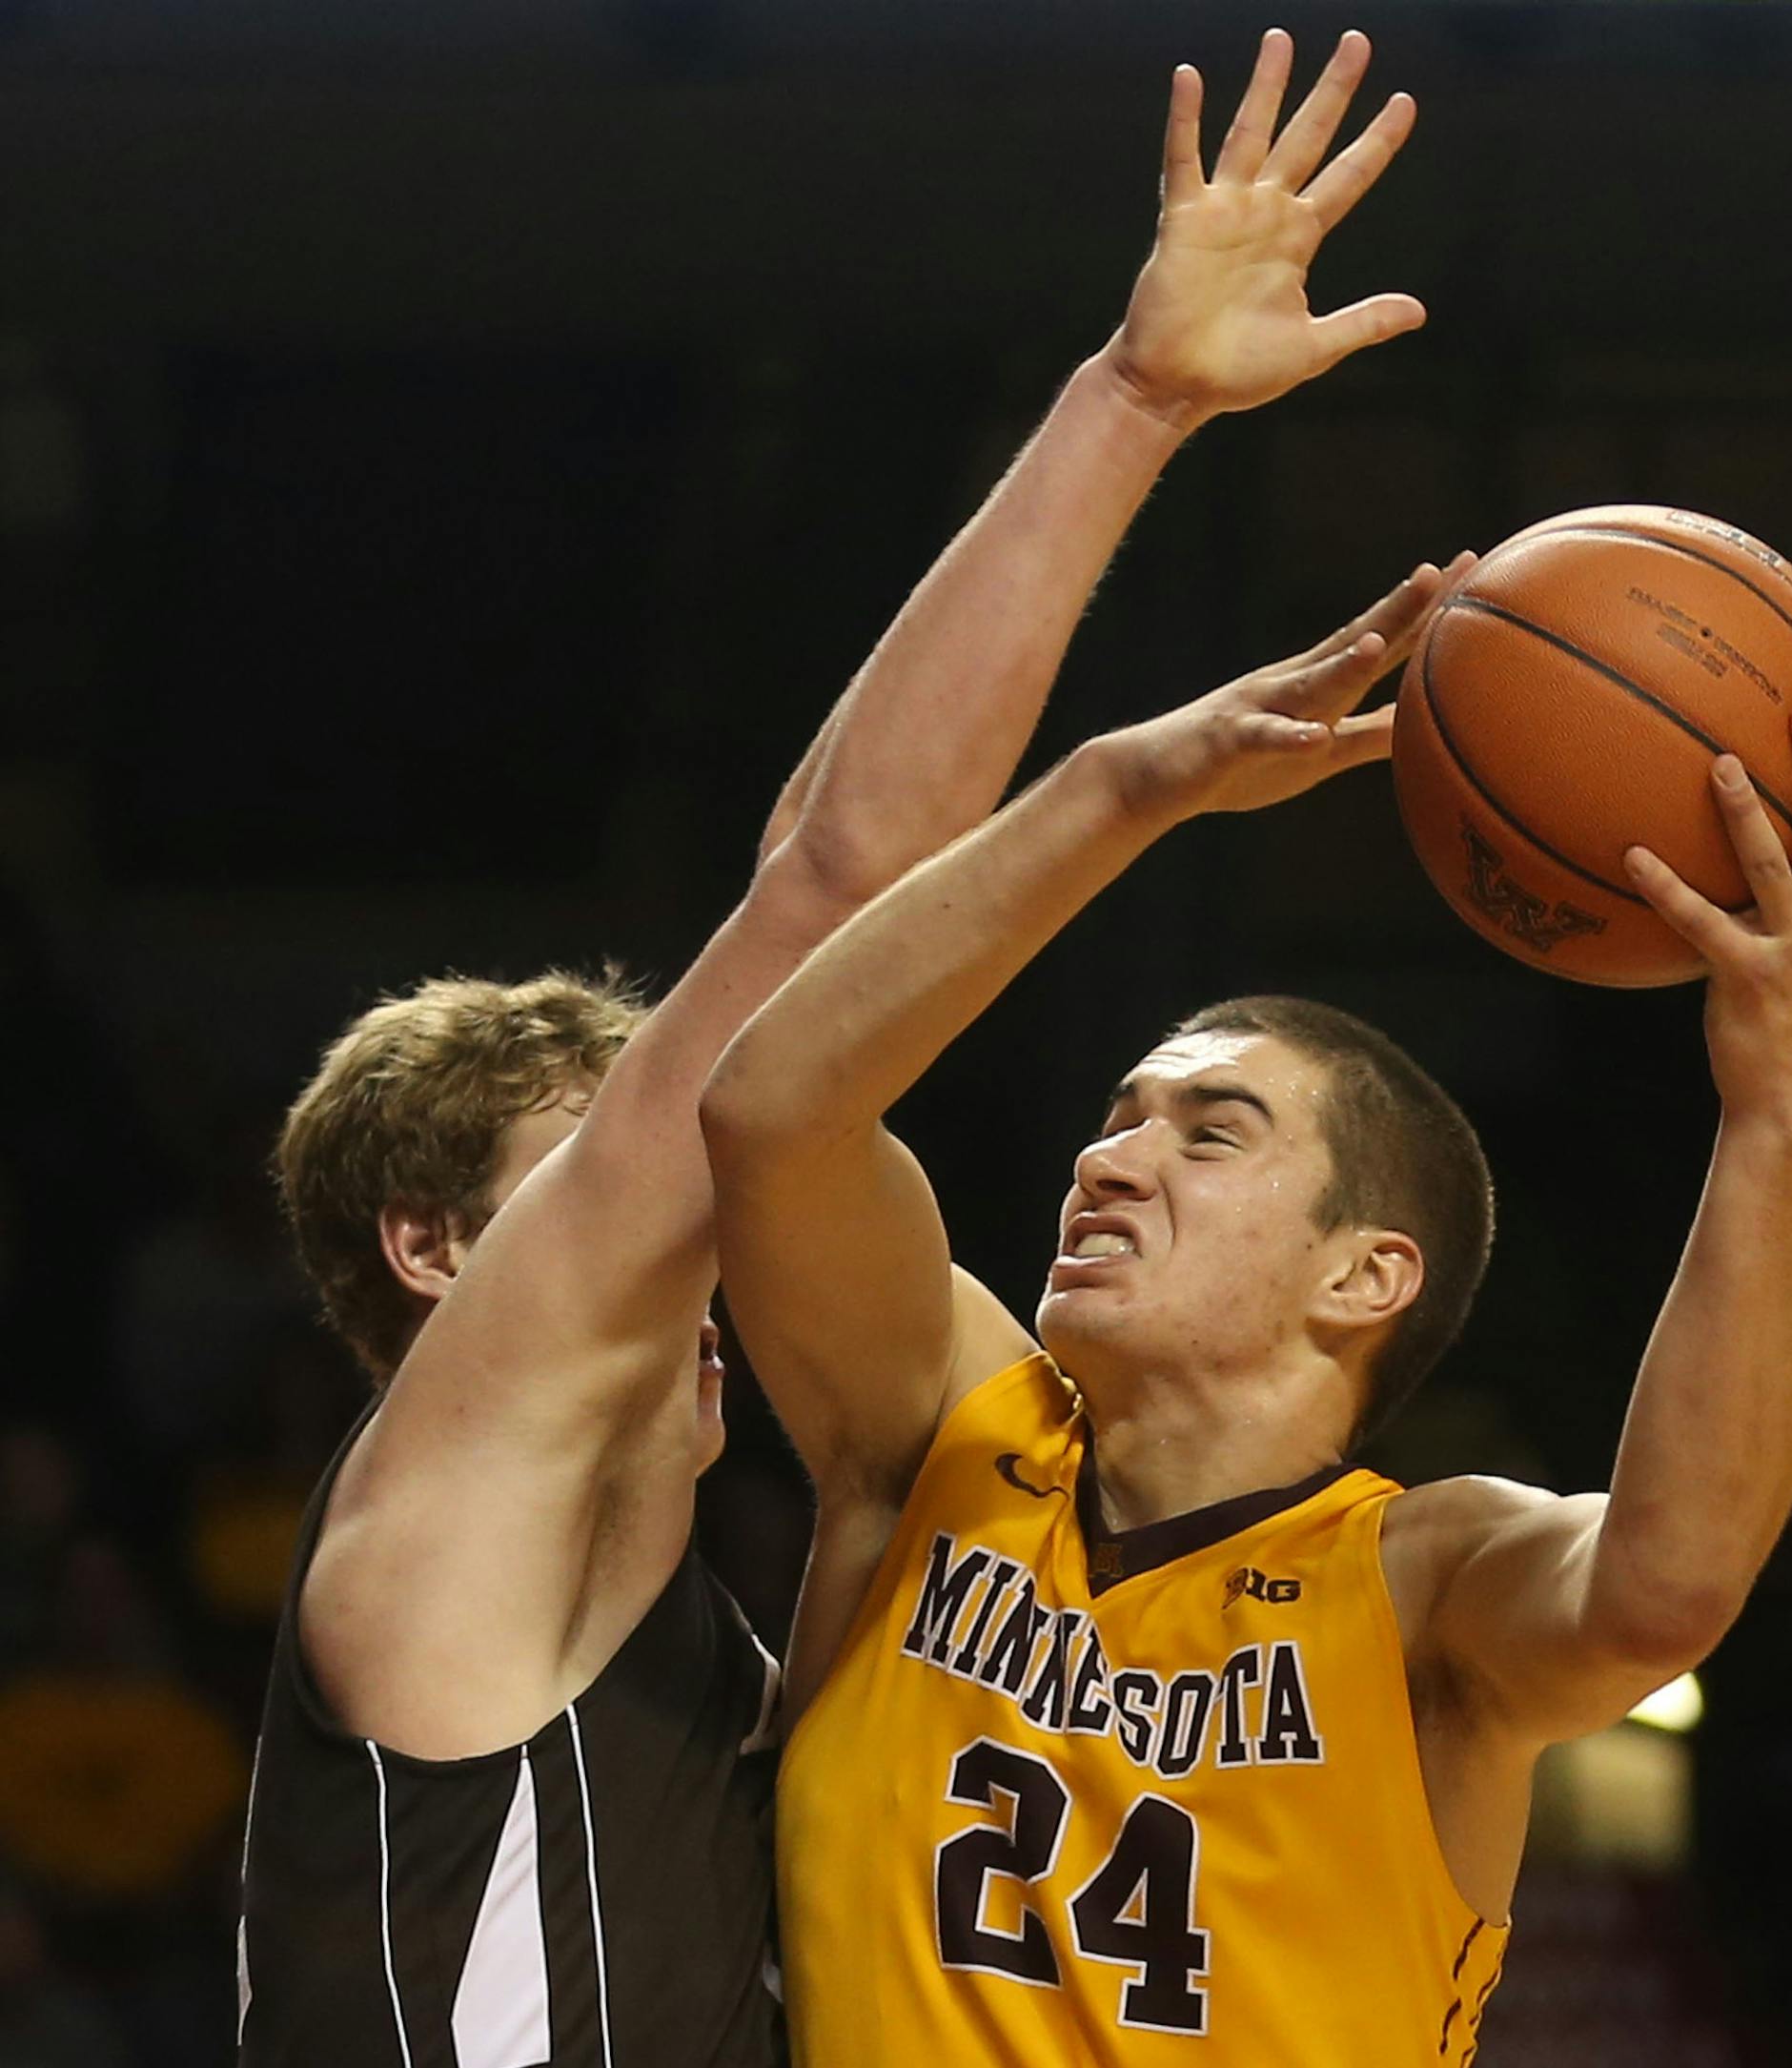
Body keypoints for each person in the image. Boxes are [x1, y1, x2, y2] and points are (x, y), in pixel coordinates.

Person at [234, 27, 1436, 2065]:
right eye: (609, 1173)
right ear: (440, 1250)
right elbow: (823, 898)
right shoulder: (438, 1514)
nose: (717, 1242)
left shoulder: (700, 1640)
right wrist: (1134, 403)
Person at [700, 556, 1792, 2052]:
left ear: (1365, 1274)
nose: (1108, 1160)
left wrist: (1785, 1088)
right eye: (1118, 1116)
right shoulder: (945, 1426)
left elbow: (1666, 1584)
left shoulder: (1422, 1582)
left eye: (1209, 1134)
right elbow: (770, 1114)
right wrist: (1126, 790)